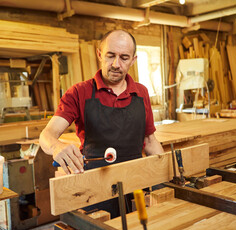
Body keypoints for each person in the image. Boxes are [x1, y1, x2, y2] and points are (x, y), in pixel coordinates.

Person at [39, 29, 164, 217]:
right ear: (99, 54)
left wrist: (164, 178)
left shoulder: (141, 93)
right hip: (94, 190)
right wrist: (56, 146)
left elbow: (151, 141)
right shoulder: (79, 92)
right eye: (110, 55)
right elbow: (46, 136)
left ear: (133, 60)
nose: (116, 64)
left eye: (124, 57)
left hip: (136, 182)